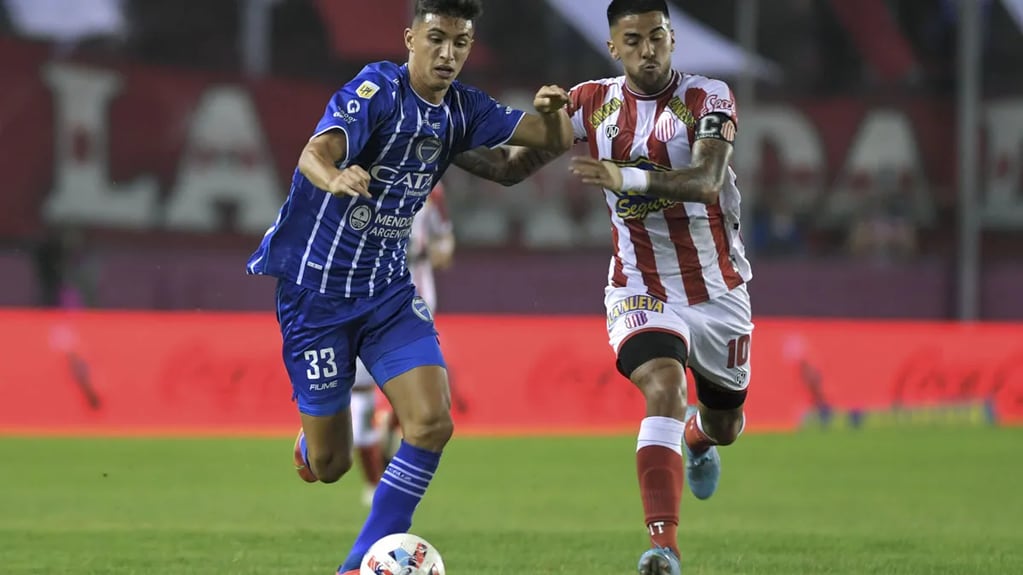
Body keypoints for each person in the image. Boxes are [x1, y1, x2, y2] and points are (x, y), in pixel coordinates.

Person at [244, 0, 572, 572]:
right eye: (437, 39)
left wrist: (554, 117)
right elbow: (314, 153)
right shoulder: (377, 89)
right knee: (331, 464)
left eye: (461, 43)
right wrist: (338, 174)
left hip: (389, 292)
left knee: (431, 424)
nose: (449, 54)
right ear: (410, 39)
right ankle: (313, 442)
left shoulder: (464, 110)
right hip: (316, 293)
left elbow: (520, 160)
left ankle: (356, 567)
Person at [453, 1, 754, 573]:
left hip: (717, 290)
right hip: (639, 286)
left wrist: (626, 175)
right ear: (614, 47)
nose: (648, 50)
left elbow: (709, 181)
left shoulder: (707, 97)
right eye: (633, 39)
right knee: (664, 384)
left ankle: (697, 439)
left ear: (671, 41)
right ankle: (663, 547)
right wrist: (438, 140)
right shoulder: (591, 103)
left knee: (726, 425)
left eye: (658, 37)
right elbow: (511, 168)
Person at [349, 183, 456, 507]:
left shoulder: (431, 188)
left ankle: (390, 429)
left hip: (414, 298)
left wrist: (441, 251)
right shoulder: (356, 181)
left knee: (424, 390)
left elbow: (445, 241)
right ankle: (373, 482)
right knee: (360, 398)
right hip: (364, 299)